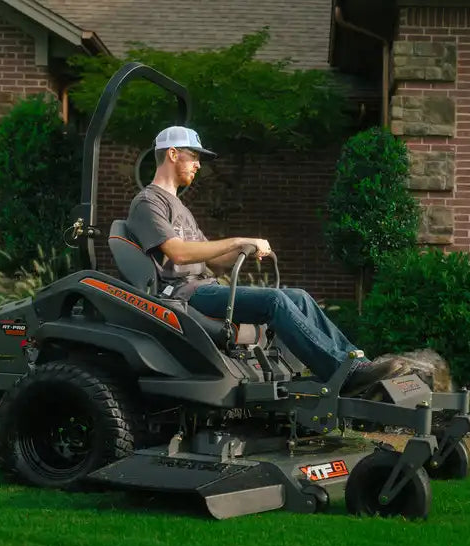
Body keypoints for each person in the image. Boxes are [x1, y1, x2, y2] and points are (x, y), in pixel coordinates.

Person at [125, 126, 407, 396]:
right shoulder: (149, 202)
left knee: (298, 296)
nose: (199, 164)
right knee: (276, 301)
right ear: (173, 154)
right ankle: (342, 374)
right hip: (182, 294)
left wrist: (244, 248)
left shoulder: (180, 208)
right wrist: (237, 240)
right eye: (194, 156)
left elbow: (216, 261)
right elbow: (179, 253)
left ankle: (358, 365)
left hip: (203, 287)